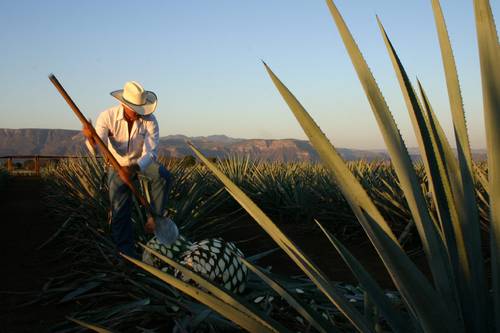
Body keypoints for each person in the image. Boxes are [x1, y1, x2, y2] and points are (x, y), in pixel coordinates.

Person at [83, 81, 174, 258]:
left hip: (141, 164)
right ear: (123, 104)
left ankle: (154, 218)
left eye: (141, 109)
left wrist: (134, 168)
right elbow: (97, 144)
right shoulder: (107, 117)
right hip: (116, 166)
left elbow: (152, 152)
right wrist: (91, 138)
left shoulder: (150, 120)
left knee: (163, 176)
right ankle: (126, 256)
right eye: (135, 109)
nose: (139, 113)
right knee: (119, 211)